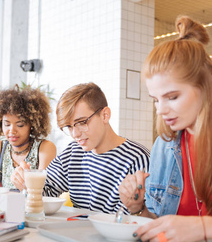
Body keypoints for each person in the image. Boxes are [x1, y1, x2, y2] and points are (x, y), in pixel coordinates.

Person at [119, 15, 212, 242]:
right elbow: (162, 229)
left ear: (206, 86)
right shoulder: (165, 145)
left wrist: (207, 228)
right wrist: (138, 208)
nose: (161, 110)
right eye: (155, 100)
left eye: (172, 97)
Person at [30, 82, 150, 213]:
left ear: (105, 115)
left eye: (81, 122)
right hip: (76, 231)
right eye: (69, 126)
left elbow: (149, 216)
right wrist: (29, 186)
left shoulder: (138, 159)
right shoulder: (73, 152)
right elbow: (46, 192)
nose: (75, 134)